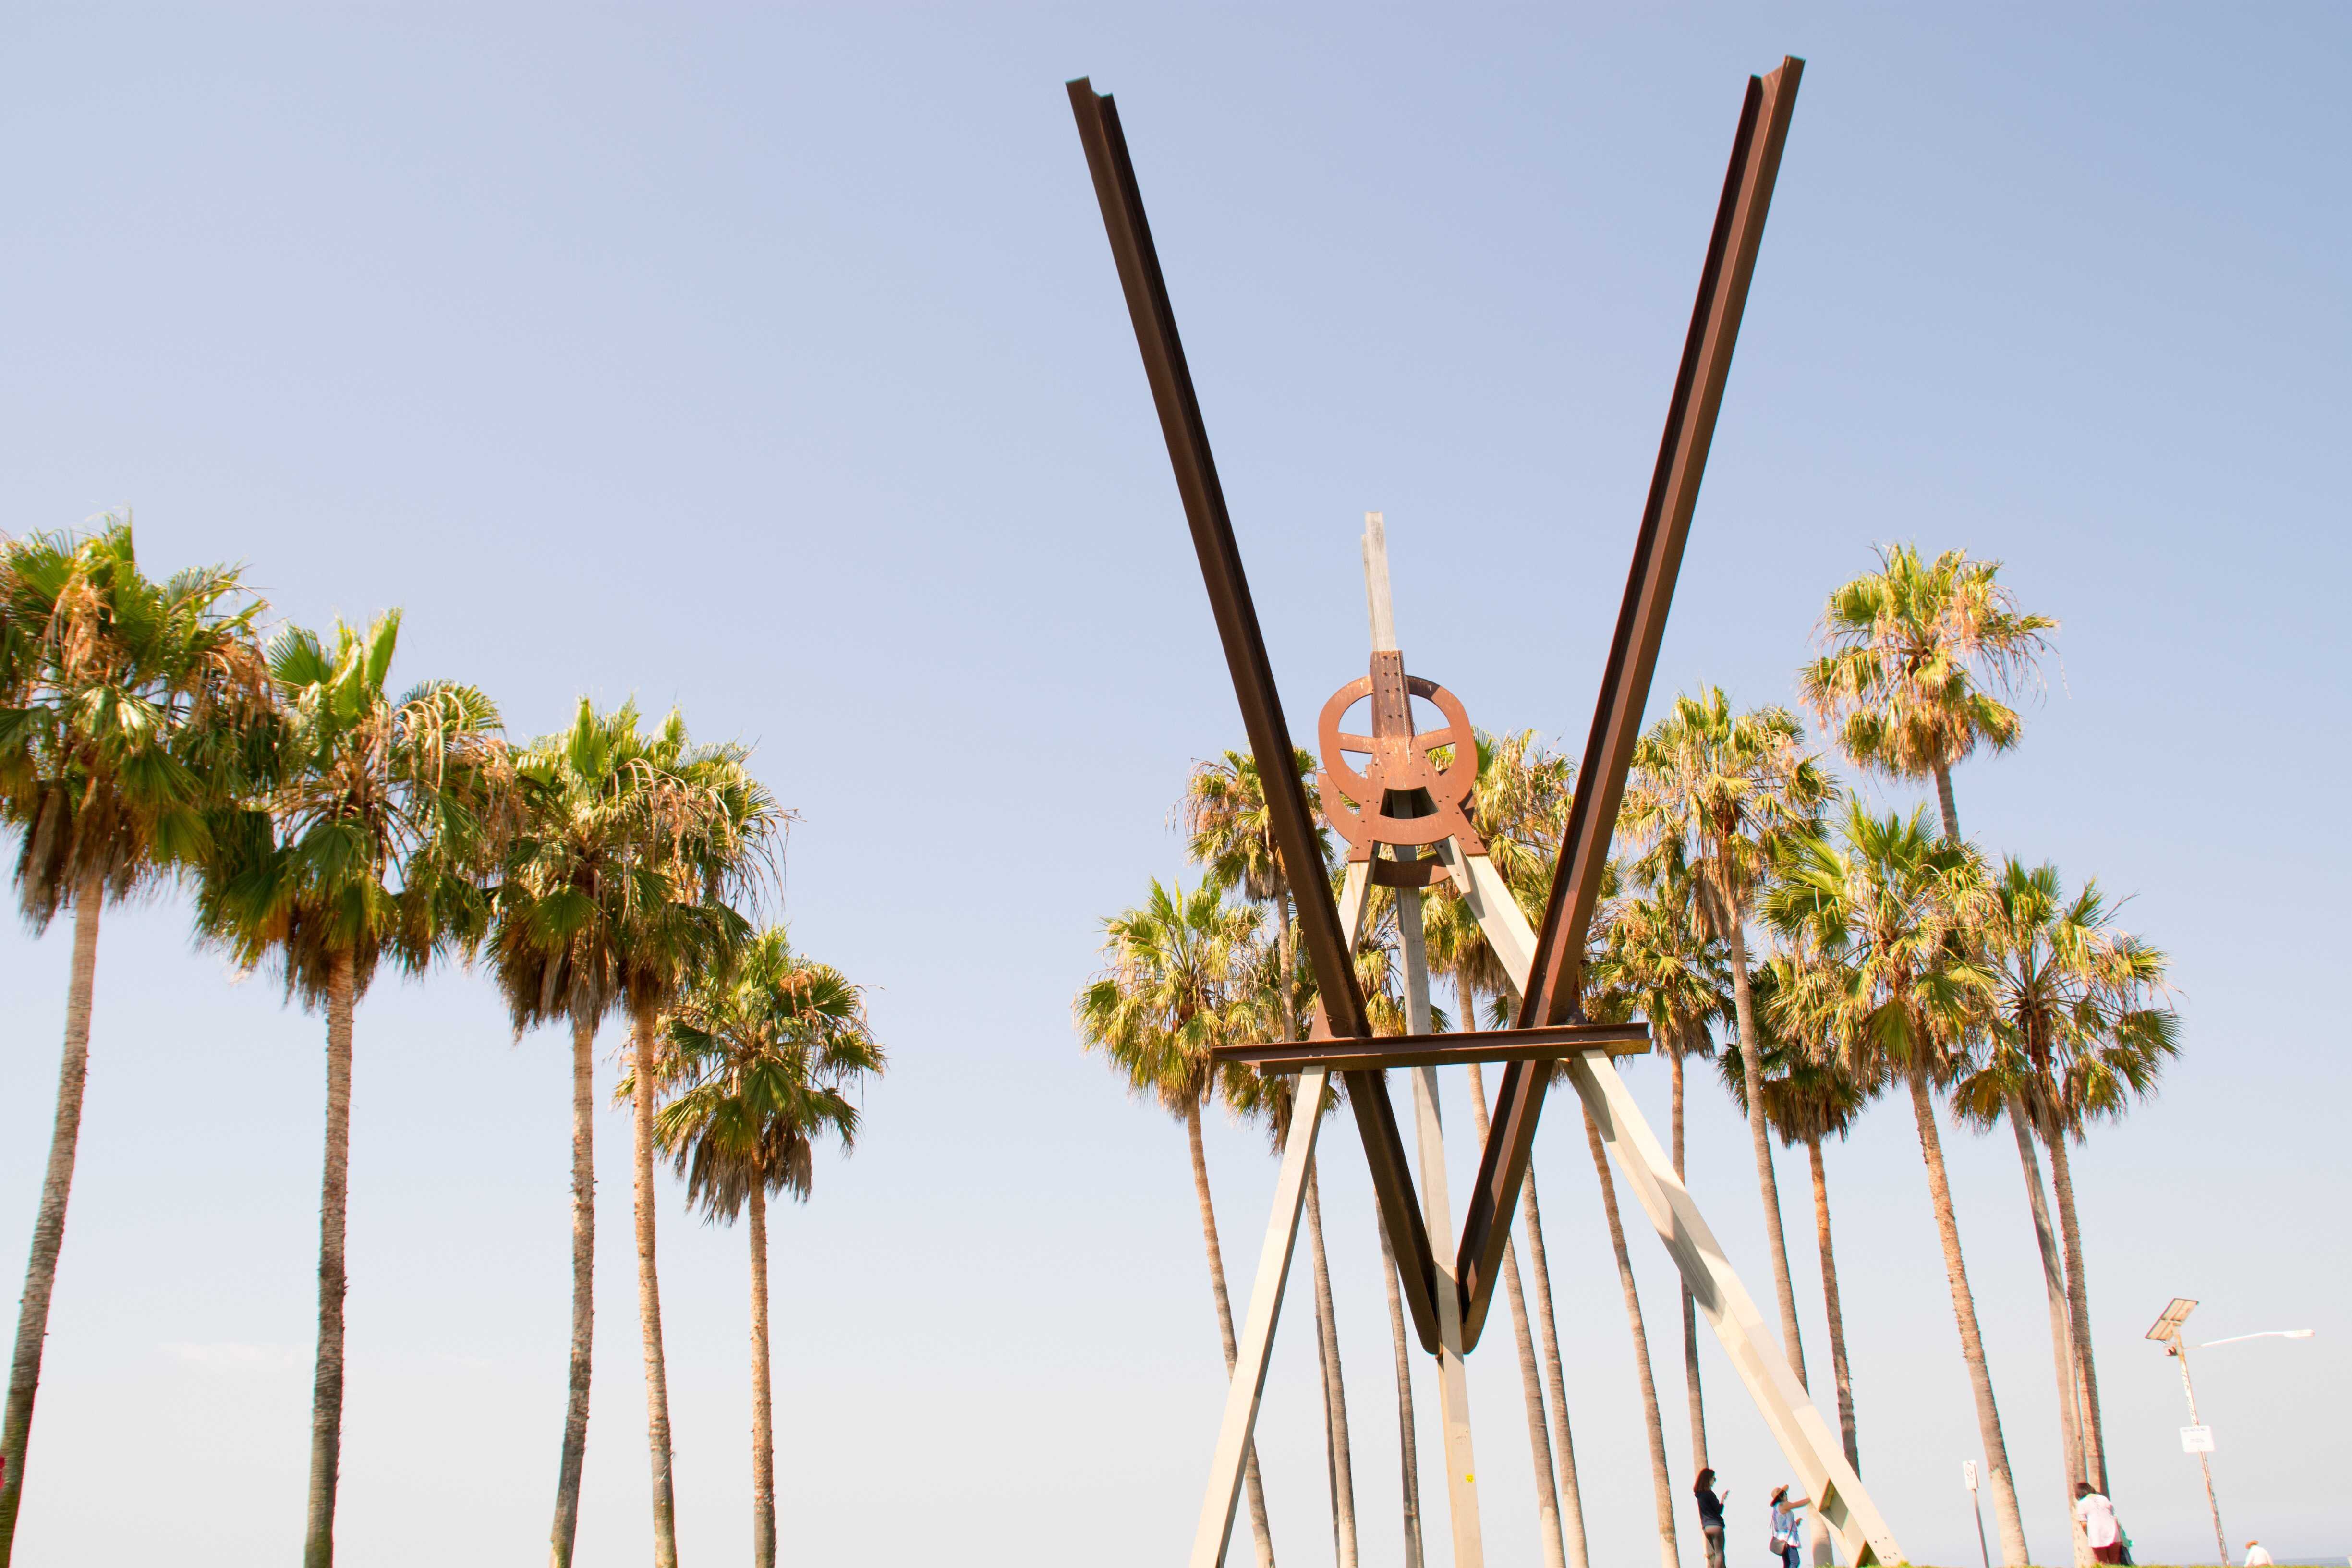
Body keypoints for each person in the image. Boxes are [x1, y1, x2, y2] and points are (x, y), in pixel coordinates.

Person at [2075, 1482, 2122, 1565]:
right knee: (2115, 1563)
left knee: (2102, 1563)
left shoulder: (2082, 1503)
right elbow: (2115, 1518)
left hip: (2097, 1535)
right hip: (2113, 1532)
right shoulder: (2104, 1499)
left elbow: (2084, 1524)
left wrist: (2088, 1534)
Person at [1693, 1468, 1729, 1568]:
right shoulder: (1710, 1494)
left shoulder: (1700, 1495)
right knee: (1720, 1554)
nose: (1714, 1481)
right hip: (1716, 1526)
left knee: (1717, 1554)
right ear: (1708, 1479)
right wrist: (1723, 1500)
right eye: (1714, 1479)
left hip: (1706, 1528)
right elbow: (1719, 1510)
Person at [1769, 1484, 1809, 1568]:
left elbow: (1782, 1524)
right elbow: (1797, 1505)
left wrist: (1796, 1523)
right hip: (1788, 1539)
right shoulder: (1783, 1505)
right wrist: (1811, 1499)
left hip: (1781, 1538)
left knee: (1787, 1564)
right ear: (1781, 1496)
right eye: (1785, 1494)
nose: (1787, 1496)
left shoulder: (1776, 1508)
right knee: (1795, 1561)